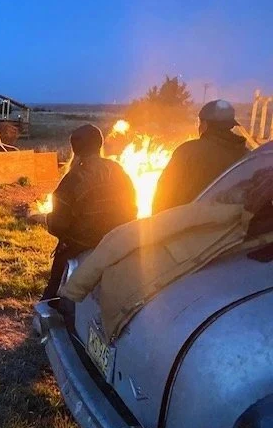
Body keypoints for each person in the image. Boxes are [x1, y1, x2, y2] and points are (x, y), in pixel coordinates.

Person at [41, 124, 137, 300]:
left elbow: (59, 224)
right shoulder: (118, 170)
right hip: (120, 240)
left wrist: (48, 221)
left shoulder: (73, 178)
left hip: (81, 244)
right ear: (99, 144)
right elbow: (132, 207)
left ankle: (51, 304)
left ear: (74, 149)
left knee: (54, 289)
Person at [152, 100, 249, 214]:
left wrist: (156, 224)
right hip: (231, 227)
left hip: (190, 225)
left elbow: (164, 194)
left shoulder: (187, 152)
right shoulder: (246, 156)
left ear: (205, 125)